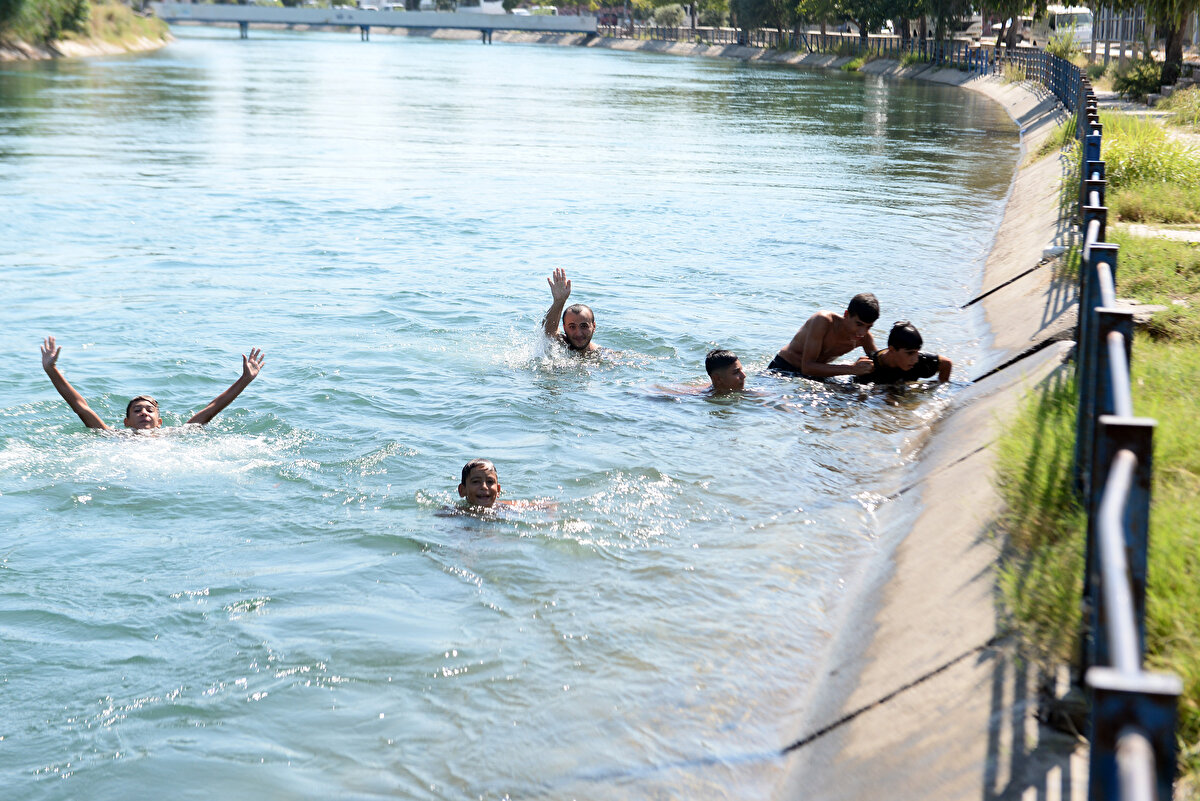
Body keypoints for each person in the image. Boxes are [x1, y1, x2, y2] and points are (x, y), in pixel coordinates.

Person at [40, 335, 266, 431]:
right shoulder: (115, 435)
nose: (144, 412)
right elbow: (81, 407)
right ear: (126, 422)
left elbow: (213, 408)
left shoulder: (176, 433)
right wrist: (52, 370)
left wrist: (245, 379)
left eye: (150, 409)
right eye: (137, 410)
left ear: (160, 421)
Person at [768, 293, 881, 379]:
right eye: (859, 324)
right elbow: (807, 367)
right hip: (783, 368)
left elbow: (881, 364)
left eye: (868, 327)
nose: (862, 332)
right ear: (846, 315)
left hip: (816, 376)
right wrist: (852, 369)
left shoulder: (865, 338)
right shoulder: (823, 321)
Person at [854, 321, 952, 385]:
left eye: (917, 352)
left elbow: (947, 364)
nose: (915, 359)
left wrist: (937, 387)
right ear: (892, 350)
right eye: (910, 353)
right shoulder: (870, 368)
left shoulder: (919, 362)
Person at [542, 268, 598, 354]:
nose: (578, 333)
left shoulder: (603, 355)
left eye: (584, 326)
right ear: (564, 328)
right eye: (572, 327)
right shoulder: (561, 345)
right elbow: (548, 331)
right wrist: (559, 301)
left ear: (593, 326)